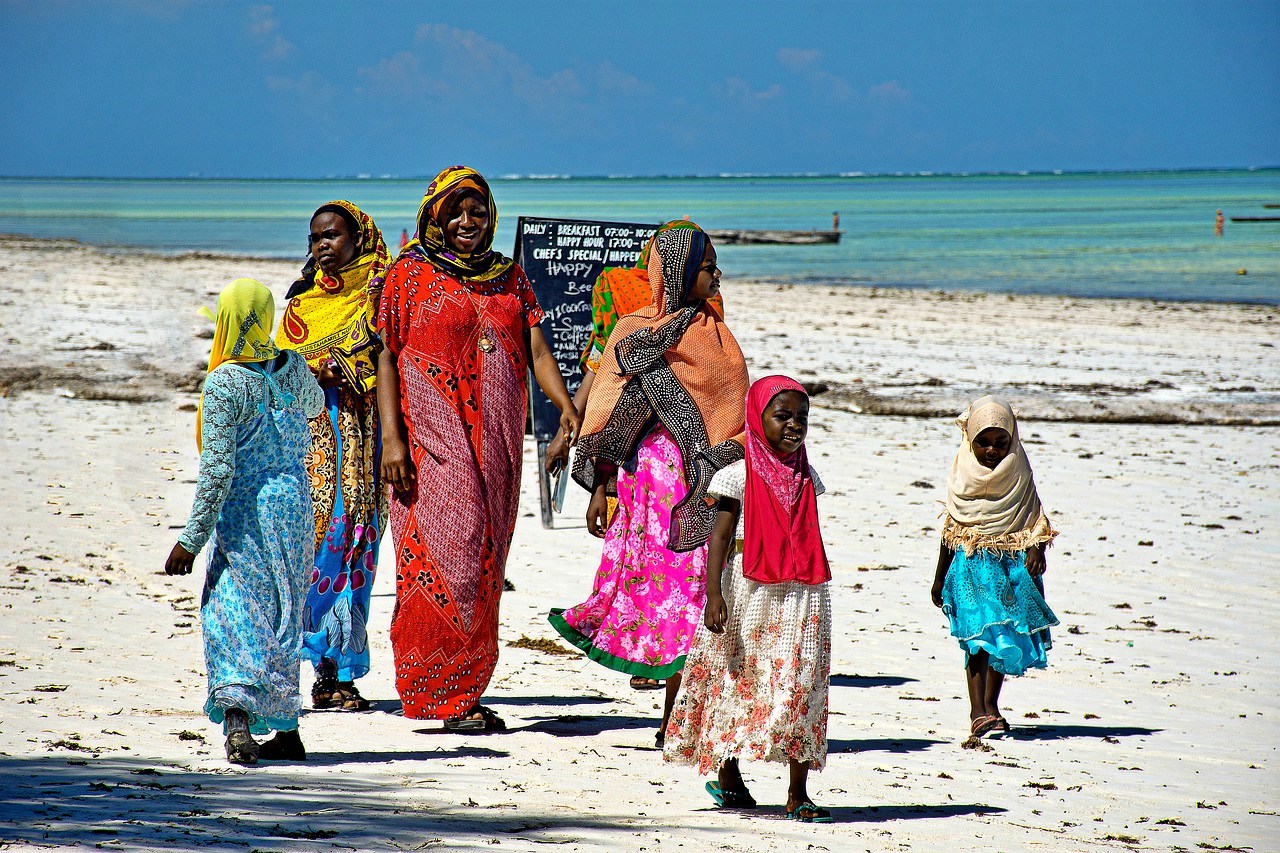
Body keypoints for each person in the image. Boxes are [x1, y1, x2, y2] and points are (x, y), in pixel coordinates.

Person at [377, 166, 581, 730]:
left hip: (498, 443)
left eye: (479, 212)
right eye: (457, 212)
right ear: (436, 216)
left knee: (487, 562)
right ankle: (432, 689)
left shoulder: (510, 278)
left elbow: (537, 349)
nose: (468, 222)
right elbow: (387, 356)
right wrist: (392, 439)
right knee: (446, 557)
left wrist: (565, 407)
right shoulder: (408, 275)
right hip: (430, 441)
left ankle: (463, 695)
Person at [548, 223, 749, 745]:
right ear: (680, 269)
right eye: (706, 266)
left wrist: (725, 471)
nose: (715, 274)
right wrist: (600, 487)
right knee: (661, 595)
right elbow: (608, 410)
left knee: (698, 591)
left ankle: (678, 715)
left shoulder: (717, 335)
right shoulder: (631, 332)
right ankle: (673, 716)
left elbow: (731, 414)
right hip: (645, 492)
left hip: (699, 489)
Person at [165, 278, 324, 765]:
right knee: (284, 610)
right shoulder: (293, 366)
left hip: (247, 507)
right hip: (295, 503)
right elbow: (317, 407)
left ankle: (238, 722)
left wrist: (190, 541)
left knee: (232, 607)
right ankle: (288, 729)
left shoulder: (226, 381)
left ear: (228, 320)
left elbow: (218, 468)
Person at [664, 376, 834, 823]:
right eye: (782, 416)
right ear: (758, 420)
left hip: (803, 593)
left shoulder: (807, 476)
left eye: (802, 417)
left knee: (801, 683)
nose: (793, 425)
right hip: (746, 590)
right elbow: (719, 537)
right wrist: (713, 593)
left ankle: (798, 792)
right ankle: (727, 772)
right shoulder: (736, 476)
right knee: (737, 676)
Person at [277, 200, 389, 712]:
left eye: (333, 236)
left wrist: (350, 373)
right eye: (315, 237)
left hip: (366, 440)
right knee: (322, 548)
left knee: (359, 549)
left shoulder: (382, 293)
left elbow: (394, 356)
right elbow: (278, 368)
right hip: (316, 445)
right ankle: (315, 662)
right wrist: (313, 375)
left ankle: (339, 674)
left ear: (358, 238)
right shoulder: (301, 302)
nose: (323, 245)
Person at [544, 220, 724, 474]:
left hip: (692, 441)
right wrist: (562, 437)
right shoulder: (618, 289)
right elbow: (603, 366)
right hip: (624, 438)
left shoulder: (707, 303)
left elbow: (717, 380)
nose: (716, 274)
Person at [930, 395, 1059, 738]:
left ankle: (991, 707)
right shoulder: (962, 477)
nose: (991, 451)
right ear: (969, 440)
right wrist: (938, 579)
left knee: (1001, 636)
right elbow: (951, 530)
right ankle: (977, 711)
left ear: (1012, 440)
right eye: (983, 443)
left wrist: (1037, 549)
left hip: (1009, 567)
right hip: (970, 567)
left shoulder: (1019, 473)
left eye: (1000, 443)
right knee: (977, 640)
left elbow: (1035, 517)